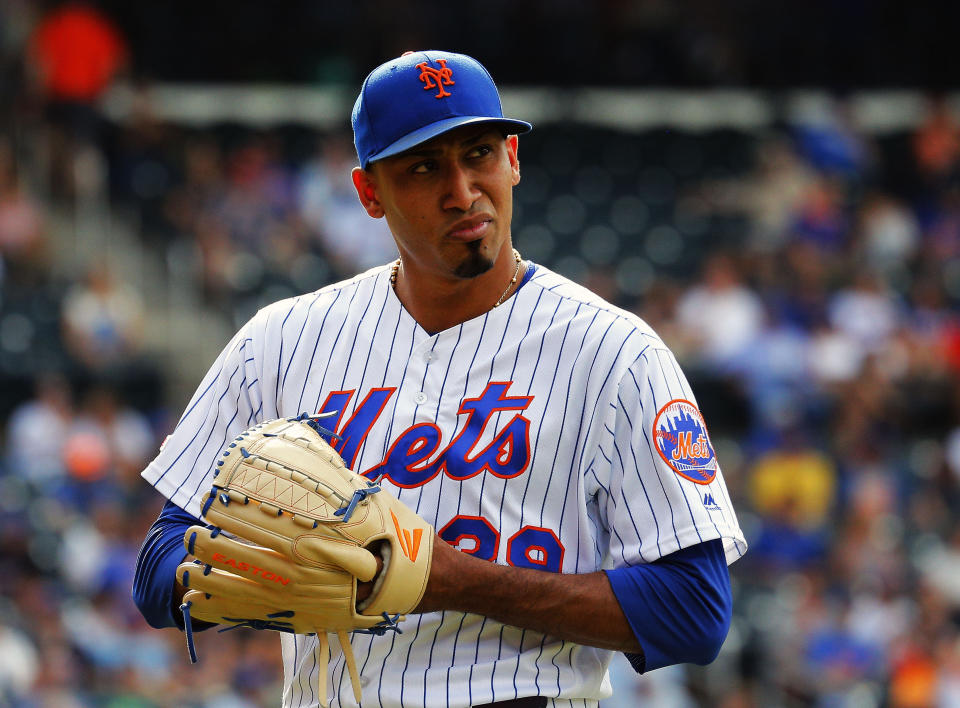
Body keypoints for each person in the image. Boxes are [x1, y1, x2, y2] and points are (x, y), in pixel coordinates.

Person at [133, 50, 747, 708]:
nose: (461, 191)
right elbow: (160, 563)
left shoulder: (616, 352)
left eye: (478, 152)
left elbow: (695, 610)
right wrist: (266, 575)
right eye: (424, 166)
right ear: (369, 192)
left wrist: (450, 579)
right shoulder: (281, 340)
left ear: (513, 156)